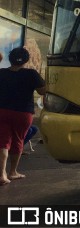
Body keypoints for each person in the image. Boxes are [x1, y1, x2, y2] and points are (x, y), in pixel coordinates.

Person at [0, 47, 46, 184]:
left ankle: (2, 174)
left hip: (2, 111)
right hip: (23, 113)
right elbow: (43, 91)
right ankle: (12, 172)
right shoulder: (31, 74)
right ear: (26, 60)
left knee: (3, 141)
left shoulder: (1, 73)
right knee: (18, 140)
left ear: (10, 59)